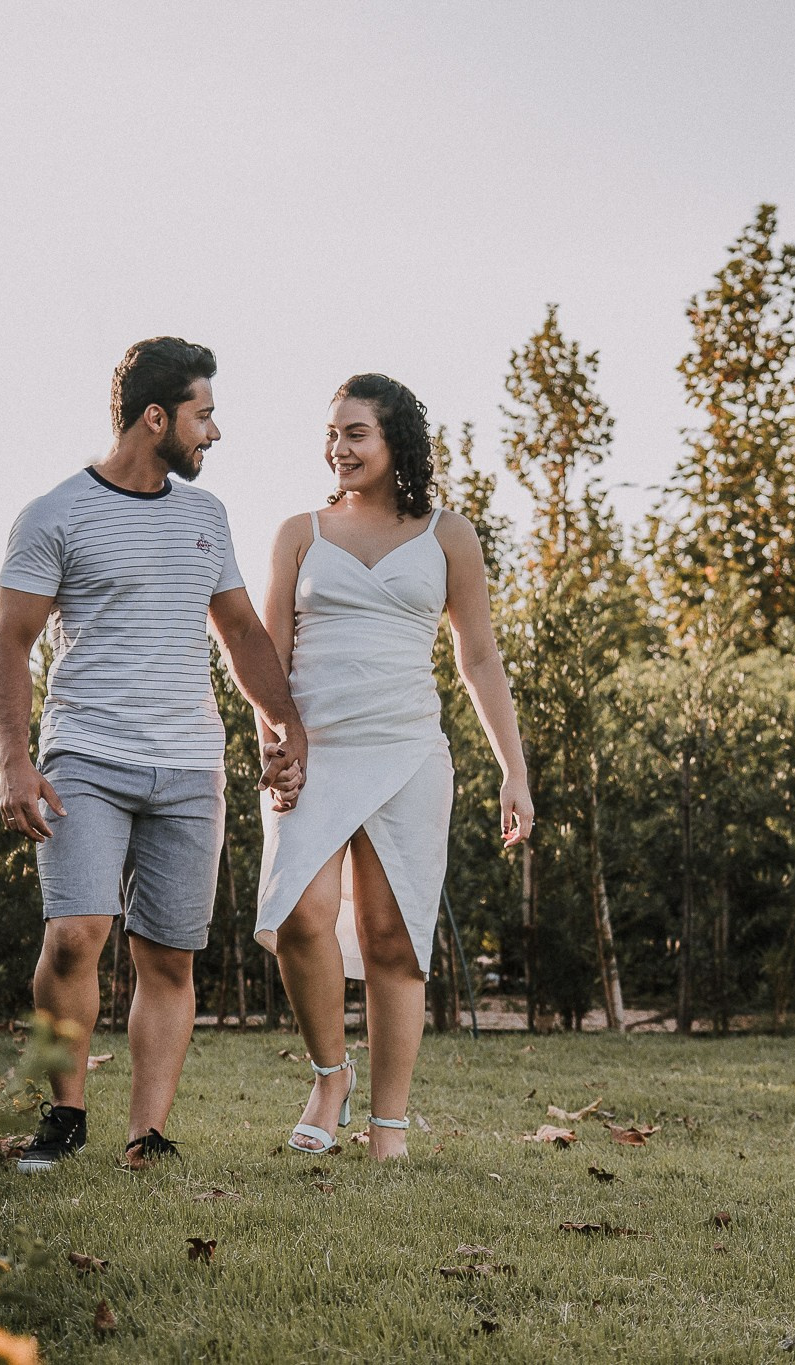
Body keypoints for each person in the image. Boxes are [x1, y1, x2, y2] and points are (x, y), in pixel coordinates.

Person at [0, 336, 307, 1173]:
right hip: (86, 755)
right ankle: (64, 1117)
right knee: (76, 934)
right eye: (204, 415)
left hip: (189, 764)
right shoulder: (55, 512)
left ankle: (148, 1133)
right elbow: (12, 646)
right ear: (156, 417)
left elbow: (239, 631)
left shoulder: (206, 516)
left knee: (168, 954)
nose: (215, 432)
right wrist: (15, 762)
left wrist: (284, 725)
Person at [255, 373, 532, 1160]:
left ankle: (389, 1129)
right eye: (333, 433)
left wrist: (513, 769)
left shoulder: (449, 535)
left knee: (393, 938)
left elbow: (478, 657)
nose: (338, 448)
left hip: (409, 752)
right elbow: (267, 657)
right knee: (302, 915)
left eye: (356, 434)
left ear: (394, 440)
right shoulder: (298, 533)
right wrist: (274, 741)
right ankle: (329, 1073)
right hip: (314, 751)